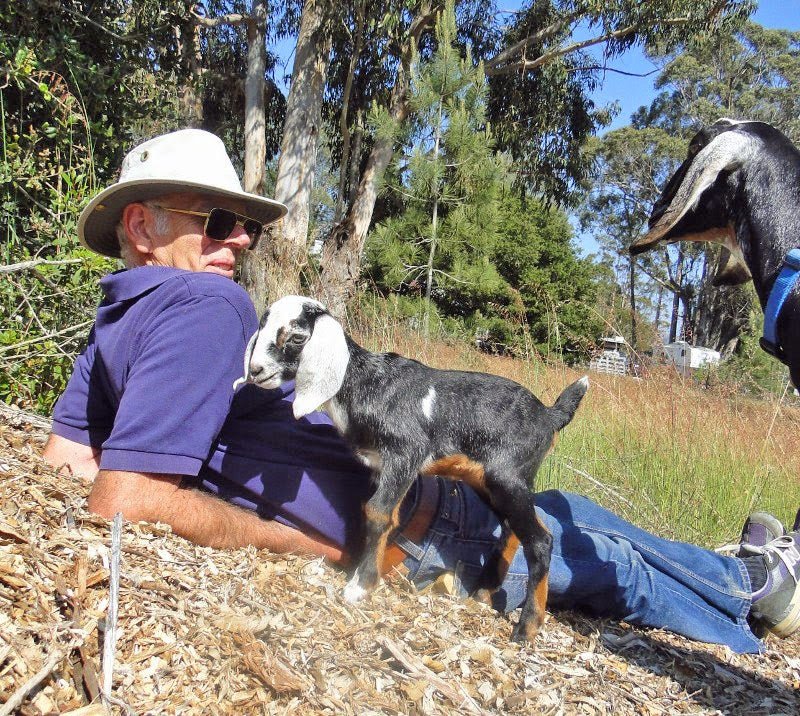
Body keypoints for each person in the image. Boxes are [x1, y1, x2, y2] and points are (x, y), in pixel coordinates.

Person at [43, 129, 800, 655]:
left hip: (444, 481)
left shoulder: (116, 319)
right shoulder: (206, 304)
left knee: (574, 511)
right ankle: (751, 623)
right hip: (430, 530)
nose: (240, 240)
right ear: (142, 224)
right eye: (217, 221)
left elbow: (63, 464)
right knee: (616, 568)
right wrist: (309, 545)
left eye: (242, 224)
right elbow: (123, 499)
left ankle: (746, 577)